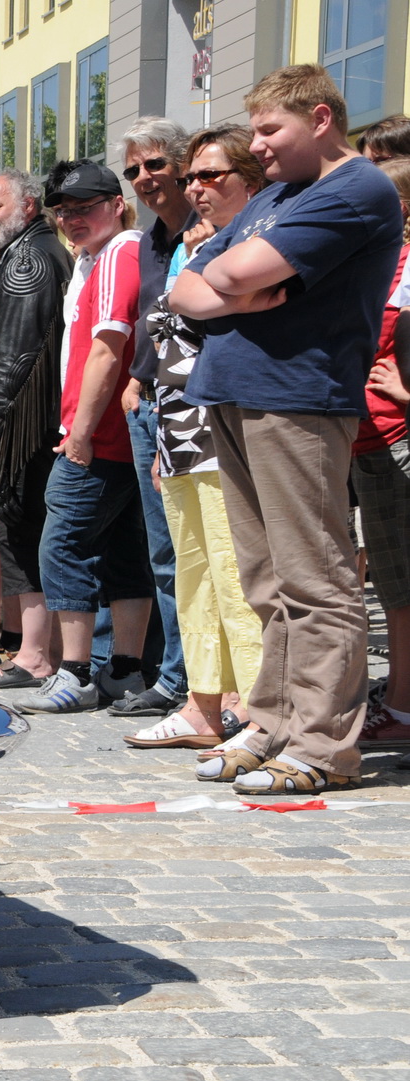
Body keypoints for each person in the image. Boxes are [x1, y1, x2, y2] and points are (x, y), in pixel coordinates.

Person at [168, 65, 403, 795]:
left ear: (321, 118)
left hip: (299, 394)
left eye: (270, 130)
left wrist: (227, 286)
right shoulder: (274, 196)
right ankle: (268, 722)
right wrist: (232, 290)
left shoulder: (354, 188)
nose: (257, 147)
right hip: (235, 391)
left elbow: (233, 271)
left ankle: (324, 744)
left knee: (315, 576)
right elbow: (187, 279)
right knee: (264, 581)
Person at [122, 125, 267, 755]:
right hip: (178, 424)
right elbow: (176, 327)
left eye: (211, 176)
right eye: (194, 178)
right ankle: (204, 701)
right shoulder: (188, 244)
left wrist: (203, 272)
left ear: (251, 183)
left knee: (237, 571)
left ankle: (258, 706)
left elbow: (219, 308)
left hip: (227, 424)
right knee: (194, 570)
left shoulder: (257, 236)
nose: (197, 189)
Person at [17, 161, 153, 714]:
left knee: (63, 544)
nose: (72, 219)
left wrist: (80, 432)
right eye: (63, 212)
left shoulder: (120, 251)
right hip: (114, 434)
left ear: (115, 204)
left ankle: (74, 672)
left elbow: (107, 347)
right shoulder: (98, 256)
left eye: (84, 208)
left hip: (99, 435)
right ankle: (123, 669)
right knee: (123, 552)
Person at [0, 171, 74, 691]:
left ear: (28, 206)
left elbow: (16, 358)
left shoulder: (27, 257)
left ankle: (33, 654)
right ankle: (35, 650)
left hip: (19, 427)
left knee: (19, 531)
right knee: (20, 532)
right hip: (17, 422)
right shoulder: (30, 252)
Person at [112, 118, 199, 720]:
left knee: (204, 548)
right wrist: (137, 380)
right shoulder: (148, 241)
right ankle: (176, 677)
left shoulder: (210, 228)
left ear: (185, 166)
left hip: (199, 408)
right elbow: (152, 321)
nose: (145, 178)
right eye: (134, 169)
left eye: (156, 165)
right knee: (164, 551)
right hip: (152, 407)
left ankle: (205, 685)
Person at [348, 158, 410, 752]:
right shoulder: (383, 265)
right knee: (395, 587)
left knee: (403, 588)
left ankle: (402, 707)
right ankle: (398, 698)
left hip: (396, 437)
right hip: (370, 440)